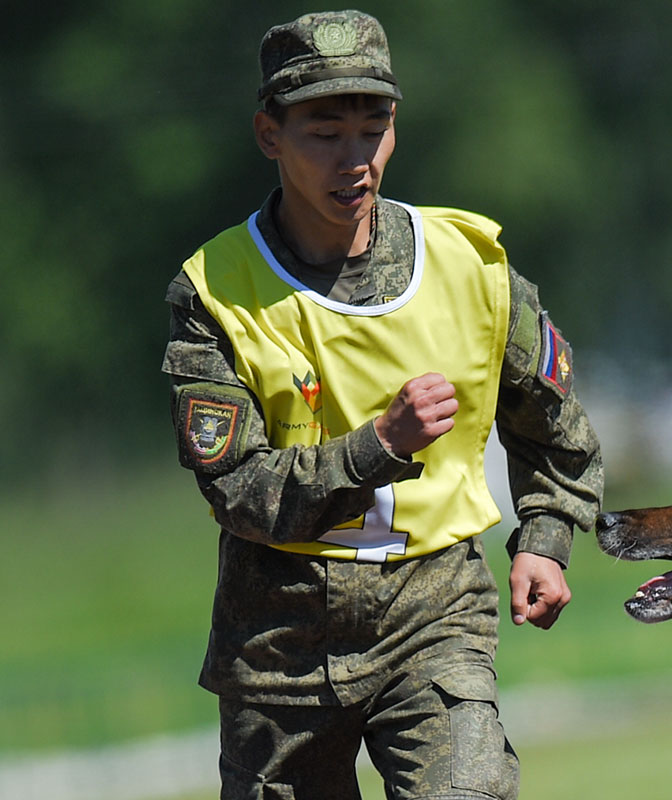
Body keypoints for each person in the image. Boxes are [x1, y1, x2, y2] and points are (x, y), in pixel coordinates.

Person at [160, 10, 602, 799]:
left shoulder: (470, 264)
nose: (355, 159)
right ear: (270, 134)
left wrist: (544, 534)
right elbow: (241, 492)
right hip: (278, 647)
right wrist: (379, 446)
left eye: (375, 128)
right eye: (324, 133)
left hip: (434, 619)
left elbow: (557, 431)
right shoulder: (213, 292)